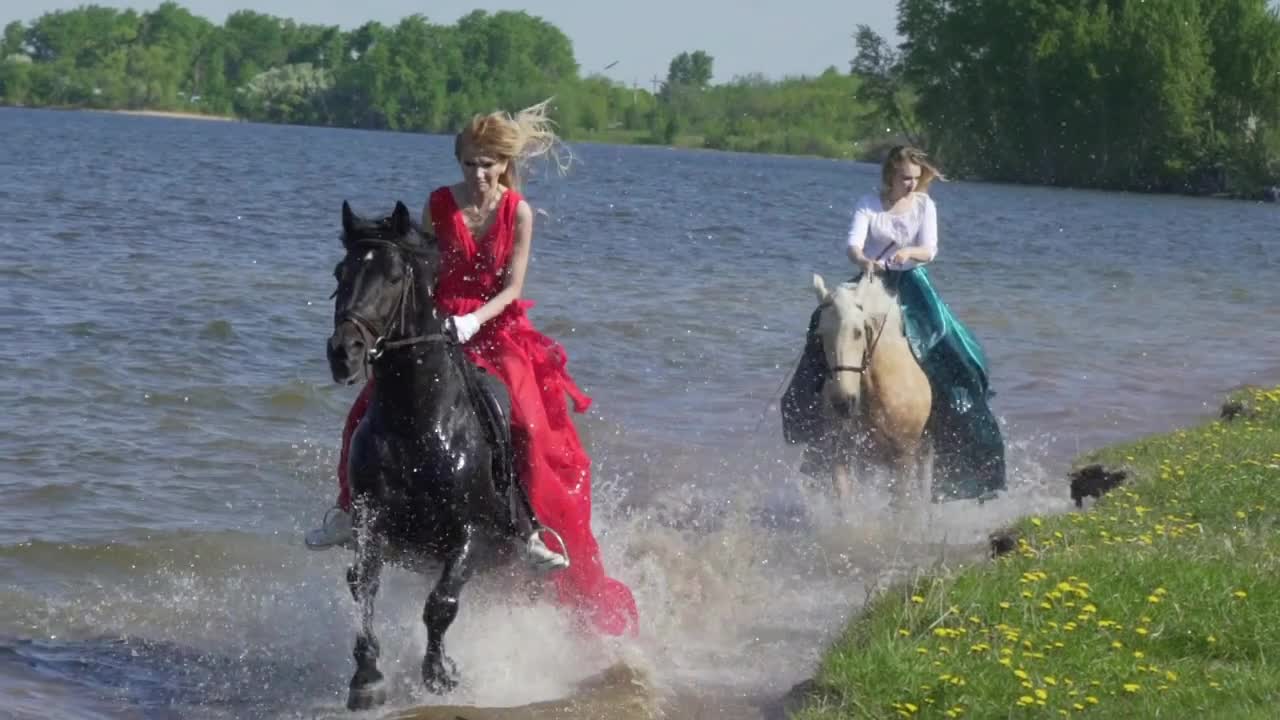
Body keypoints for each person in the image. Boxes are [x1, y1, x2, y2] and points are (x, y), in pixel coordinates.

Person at [306, 100, 639, 636]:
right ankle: (349, 512)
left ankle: (528, 530)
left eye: (487, 164)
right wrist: (431, 320)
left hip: (495, 327)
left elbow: (513, 288)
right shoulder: (439, 203)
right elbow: (420, 269)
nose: (478, 174)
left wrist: (473, 321)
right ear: (459, 162)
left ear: (503, 164)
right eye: (469, 164)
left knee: (526, 422)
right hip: (438, 323)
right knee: (364, 412)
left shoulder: (518, 212)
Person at [781, 145, 1006, 500]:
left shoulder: (924, 205)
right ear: (889, 175)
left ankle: (955, 413)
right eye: (905, 178)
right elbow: (853, 244)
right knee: (822, 320)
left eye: (916, 179)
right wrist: (863, 258)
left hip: (913, 285)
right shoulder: (869, 202)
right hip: (870, 280)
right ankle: (808, 413)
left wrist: (909, 254)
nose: (911, 185)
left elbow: (930, 249)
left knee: (948, 339)